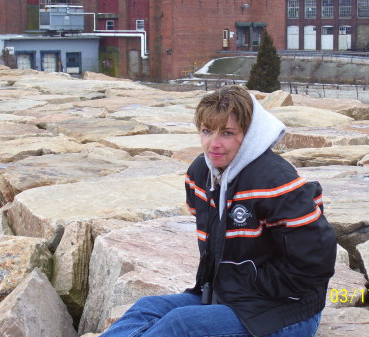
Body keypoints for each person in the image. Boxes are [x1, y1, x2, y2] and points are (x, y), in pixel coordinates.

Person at [100, 85, 337, 337]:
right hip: (227, 296)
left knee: (182, 324)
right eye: (206, 131)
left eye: (227, 133)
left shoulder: (277, 183)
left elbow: (315, 265)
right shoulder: (200, 173)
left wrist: (238, 285)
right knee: (147, 308)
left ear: (248, 134)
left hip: (286, 311)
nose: (213, 144)